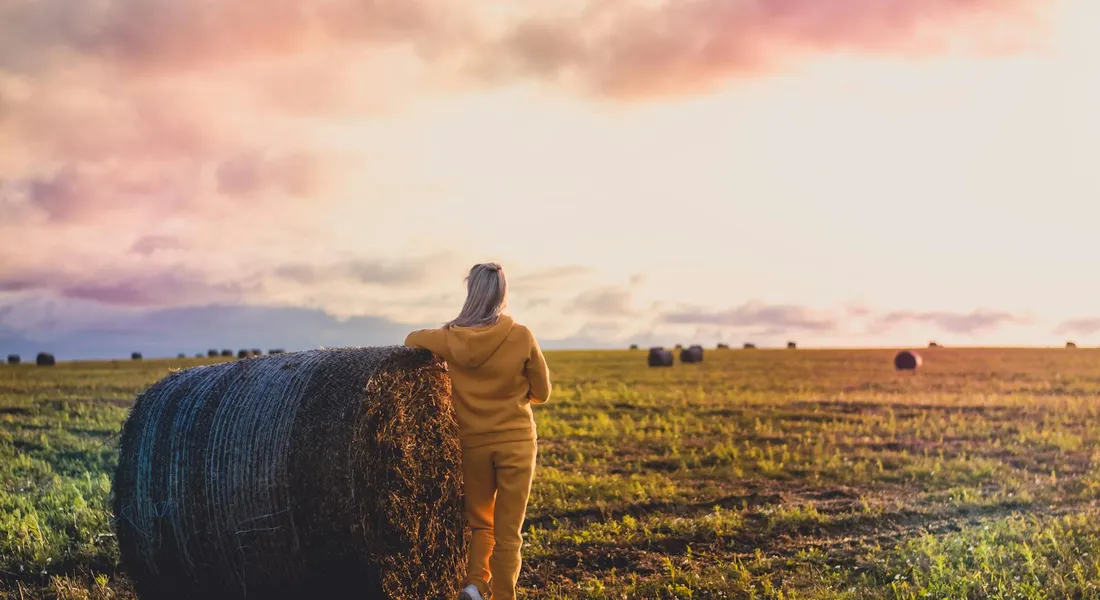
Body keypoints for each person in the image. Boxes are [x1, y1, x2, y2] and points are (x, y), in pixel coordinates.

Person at [405, 262, 551, 600]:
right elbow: (542, 393)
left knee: (481, 524)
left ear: (471, 292)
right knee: (508, 531)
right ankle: (502, 595)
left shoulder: (448, 338)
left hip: (473, 443)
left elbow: (411, 339)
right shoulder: (521, 335)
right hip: (516, 442)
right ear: (502, 294)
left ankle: (474, 585)